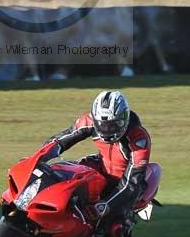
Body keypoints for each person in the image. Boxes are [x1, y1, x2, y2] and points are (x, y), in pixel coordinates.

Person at [45, 90, 151, 227]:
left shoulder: (139, 139)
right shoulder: (90, 121)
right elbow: (59, 141)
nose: (106, 129)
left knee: (112, 225)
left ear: (123, 119)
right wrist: (37, 158)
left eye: (112, 125)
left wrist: (107, 205)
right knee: (68, 175)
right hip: (102, 167)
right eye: (102, 124)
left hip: (125, 181)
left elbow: (132, 182)